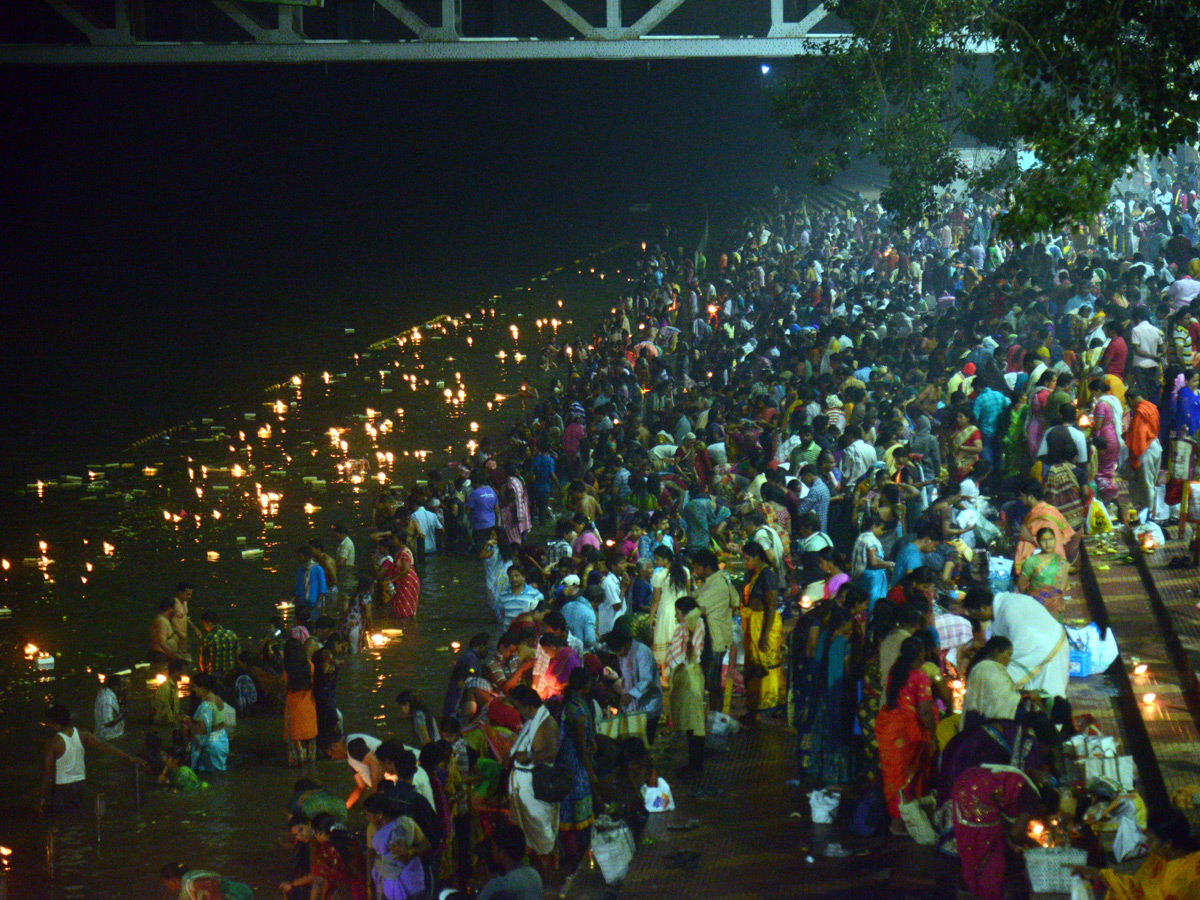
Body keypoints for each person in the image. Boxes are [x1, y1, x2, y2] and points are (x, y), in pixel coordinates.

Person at [951, 766, 1060, 900]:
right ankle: (987, 893)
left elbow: (1008, 827)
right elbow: (1016, 833)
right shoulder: (1033, 800)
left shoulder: (1024, 787)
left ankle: (974, 889)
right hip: (977, 796)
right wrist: (1036, 846)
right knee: (991, 852)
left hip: (965, 785)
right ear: (1044, 807)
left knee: (975, 847)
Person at [964, 587, 1070, 701]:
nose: (976, 619)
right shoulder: (998, 614)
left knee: (1050, 697)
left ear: (983, 608)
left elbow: (1023, 644)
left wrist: (1003, 673)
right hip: (1036, 650)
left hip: (1048, 650)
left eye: (974, 615)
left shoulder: (1009, 608)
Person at [875, 636, 938, 826]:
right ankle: (906, 820)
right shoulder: (920, 676)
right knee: (911, 776)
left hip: (890, 727)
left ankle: (896, 818)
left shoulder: (896, 670)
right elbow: (925, 711)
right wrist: (933, 736)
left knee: (894, 775)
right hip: (909, 731)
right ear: (921, 655)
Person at [38, 703, 144, 814]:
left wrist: (42, 797)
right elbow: (105, 746)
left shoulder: (53, 743)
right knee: (76, 816)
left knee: (60, 820)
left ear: (54, 723)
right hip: (80, 785)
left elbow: (47, 772)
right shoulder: (83, 735)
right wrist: (128, 757)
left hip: (62, 788)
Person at [1072, 809, 1200, 900]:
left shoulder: (1188, 875)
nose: (1147, 844)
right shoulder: (1163, 857)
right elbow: (1140, 888)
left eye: (1151, 840)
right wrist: (1100, 875)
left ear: (1168, 843)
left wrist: (1105, 878)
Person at [506, 685, 560, 873]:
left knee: (541, 828)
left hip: (536, 784)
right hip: (524, 784)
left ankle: (550, 871)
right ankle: (538, 867)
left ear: (529, 707)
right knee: (528, 832)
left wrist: (528, 756)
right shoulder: (532, 722)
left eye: (519, 707)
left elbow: (551, 753)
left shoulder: (547, 723)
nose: (518, 712)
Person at [557, 668, 598, 872]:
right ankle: (579, 855)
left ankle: (572, 855)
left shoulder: (570, 702)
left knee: (569, 813)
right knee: (580, 811)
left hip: (567, 763)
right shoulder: (578, 710)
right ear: (585, 685)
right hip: (576, 766)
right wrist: (590, 772)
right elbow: (581, 746)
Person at [740, 540, 784, 725]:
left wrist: (765, 635)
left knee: (764, 663)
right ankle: (754, 707)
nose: (745, 562)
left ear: (758, 557)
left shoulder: (767, 574)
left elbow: (771, 605)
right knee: (753, 663)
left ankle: (766, 707)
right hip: (753, 623)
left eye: (748, 558)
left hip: (763, 624)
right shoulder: (754, 573)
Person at [689, 548, 739, 708]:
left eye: (696, 567)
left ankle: (715, 715)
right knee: (711, 680)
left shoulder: (717, 584)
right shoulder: (716, 580)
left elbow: (696, 607)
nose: (695, 571)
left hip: (715, 638)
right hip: (716, 636)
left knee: (712, 682)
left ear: (706, 567)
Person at [666, 596, 708, 778]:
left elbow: (693, 651)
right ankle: (694, 762)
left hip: (690, 676)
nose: (676, 617)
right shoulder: (691, 625)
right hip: (687, 675)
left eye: (677, 613)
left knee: (695, 722)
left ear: (685, 613)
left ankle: (697, 764)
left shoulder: (694, 624)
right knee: (692, 721)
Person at [605, 618, 663, 743]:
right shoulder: (623, 654)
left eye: (618, 650)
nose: (617, 654)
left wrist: (631, 694)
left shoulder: (642, 653)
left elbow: (647, 680)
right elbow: (628, 676)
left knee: (646, 741)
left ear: (626, 644)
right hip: (633, 707)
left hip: (648, 705)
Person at [364, 793, 429, 900]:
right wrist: (369, 881)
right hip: (386, 880)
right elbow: (370, 854)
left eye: (368, 815)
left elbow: (426, 845)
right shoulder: (372, 828)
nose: (367, 818)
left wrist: (411, 852)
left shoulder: (405, 823)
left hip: (409, 880)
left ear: (379, 814)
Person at [649, 546, 691, 682]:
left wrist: (650, 618)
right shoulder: (685, 571)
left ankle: (666, 677)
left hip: (666, 613)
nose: (656, 562)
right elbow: (688, 594)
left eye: (658, 559)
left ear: (666, 560)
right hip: (683, 612)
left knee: (666, 645)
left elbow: (656, 600)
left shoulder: (659, 576)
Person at [961, 636, 1020, 725]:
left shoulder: (983, 666)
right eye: (1008, 654)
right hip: (985, 722)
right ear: (997, 651)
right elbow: (1001, 699)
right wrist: (1021, 697)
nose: (1010, 659)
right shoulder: (988, 668)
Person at [478, 820, 543, 900]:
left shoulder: (499, 886)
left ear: (501, 852)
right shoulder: (534, 876)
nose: (492, 852)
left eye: (493, 848)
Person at [1017, 527, 1071, 618]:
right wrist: (1032, 598)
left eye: (1050, 539)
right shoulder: (1032, 561)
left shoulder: (1061, 562)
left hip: (1055, 608)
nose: (1047, 543)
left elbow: (1063, 587)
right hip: (1036, 607)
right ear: (1038, 542)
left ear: (1055, 540)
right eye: (1043, 540)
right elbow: (1021, 584)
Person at [182, 673, 231, 773]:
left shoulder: (206, 704)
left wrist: (188, 722)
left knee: (207, 776)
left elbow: (202, 730)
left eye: (195, 687)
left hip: (211, 746)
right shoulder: (217, 698)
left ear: (203, 688)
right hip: (222, 740)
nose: (193, 690)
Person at [284, 636, 318, 766]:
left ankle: (298, 762)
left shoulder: (287, 669)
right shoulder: (310, 665)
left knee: (295, 740)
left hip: (293, 709)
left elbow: (285, 685)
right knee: (310, 739)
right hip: (309, 707)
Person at [160, 862, 253, 900]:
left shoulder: (188, 882)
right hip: (243, 892)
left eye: (166, 883)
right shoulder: (192, 878)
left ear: (173, 881)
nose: (168, 888)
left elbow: (209, 884)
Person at [197, 610, 240, 680]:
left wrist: (205, 674)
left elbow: (203, 661)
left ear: (207, 622)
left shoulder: (208, 638)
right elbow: (238, 655)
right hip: (231, 674)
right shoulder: (232, 634)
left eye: (203, 624)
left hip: (214, 676)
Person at [150, 596, 190, 664]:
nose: (176, 610)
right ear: (170, 608)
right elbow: (162, 643)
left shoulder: (166, 620)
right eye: (175, 608)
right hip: (161, 657)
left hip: (166, 656)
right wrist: (175, 656)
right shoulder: (161, 621)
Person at [296, 545, 328, 624]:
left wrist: (317, 604)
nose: (299, 559)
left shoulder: (318, 569)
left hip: (315, 605)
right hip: (303, 605)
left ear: (307, 556)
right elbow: (298, 587)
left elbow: (322, 589)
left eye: (300, 556)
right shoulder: (301, 570)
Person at [152, 659, 187, 725]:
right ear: (176, 671)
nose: (184, 673)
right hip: (165, 727)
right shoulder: (166, 687)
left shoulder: (173, 687)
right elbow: (164, 711)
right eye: (183, 670)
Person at [93, 673, 126, 741]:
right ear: (115, 686)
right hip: (108, 737)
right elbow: (108, 722)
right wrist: (122, 715)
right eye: (122, 686)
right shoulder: (107, 700)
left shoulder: (108, 694)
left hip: (111, 736)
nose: (123, 689)